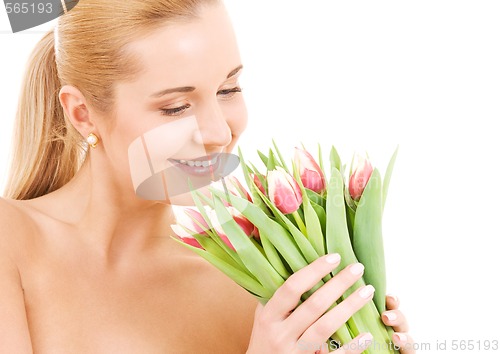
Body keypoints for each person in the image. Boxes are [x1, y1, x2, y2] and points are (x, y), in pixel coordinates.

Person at [0, 0, 414, 353]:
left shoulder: (256, 289)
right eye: (177, 107)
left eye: (229, 89)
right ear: (81, 113)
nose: (219, 133)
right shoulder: (11, 241)